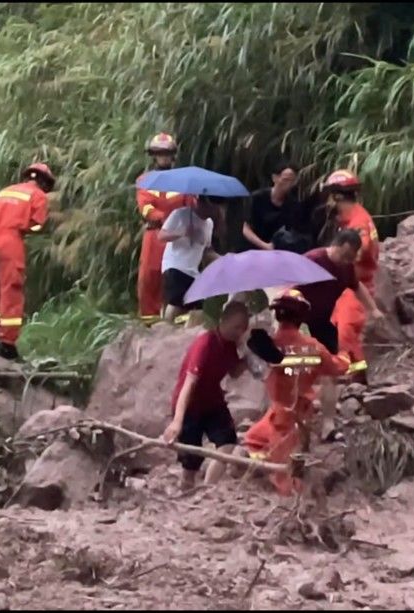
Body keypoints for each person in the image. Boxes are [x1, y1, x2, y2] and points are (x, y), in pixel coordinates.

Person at [243, 289, 351, 495]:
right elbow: (337, 368)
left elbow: (256, 367)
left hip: (282, 416)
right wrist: (345, 353)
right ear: (301, 318)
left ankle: (290, 493)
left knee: (282, 471)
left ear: (276, 315)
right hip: (296, 414)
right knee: (259, 444)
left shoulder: (270, 345)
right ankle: (277, 477)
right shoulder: (313, 347)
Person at [295, 229, 384, 438]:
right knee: (298, 371)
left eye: (350, 258)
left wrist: (374, 309)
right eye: (344, 255)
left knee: (331, 371)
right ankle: (293, 420)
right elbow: (290, 287)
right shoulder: (313, 260)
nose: (346, 261)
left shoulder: (346, 269)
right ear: (336, 244)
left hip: (323, 321)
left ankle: (328, 424)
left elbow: (357, 286)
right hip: (299, 319)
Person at [162, 301, 252, 490]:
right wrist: (177, 421)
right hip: (190, 404)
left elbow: (234, 372)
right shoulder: (205, 344)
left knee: (227, 441)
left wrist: (249, 358)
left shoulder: (230, 346)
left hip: (212, 401)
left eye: (242, 328)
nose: (239, 332)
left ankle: (209, 488)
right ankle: (186, 486)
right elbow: (188, 385)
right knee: (191, 460)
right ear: (223, 321)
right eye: (236, 327)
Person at [0, 162, 55, 361]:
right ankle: (7, 344)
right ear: (43, 182)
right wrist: (22, 229)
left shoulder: (5, 191)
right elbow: (37, 225)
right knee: (11, 291)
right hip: (10, 241)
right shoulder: (37, 195)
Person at [323, 169, 383, 384]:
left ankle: (353, 375)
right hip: (348, 284)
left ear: (337, 196)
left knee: (346, 330)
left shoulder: (358, 222)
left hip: (356, 284)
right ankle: (354, 372)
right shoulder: (352, 218)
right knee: (338, 325)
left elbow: (360, 249)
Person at [136, 133, 195, 324]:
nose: (163, 157)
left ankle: (179, 317)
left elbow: (190, 204)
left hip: (179, 236)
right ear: (153, 155)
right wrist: (162, 218)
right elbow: (145, 206)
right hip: (155, 234)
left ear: (173, 155)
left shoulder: (184, 180)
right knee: (150, 276)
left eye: (167, 153)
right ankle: (150, 321)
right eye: (159, 153)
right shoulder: (145, 180)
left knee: (179, 275)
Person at [158, 197, 219, 325]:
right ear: (200, 203)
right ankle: (165, 329)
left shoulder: (209, 224)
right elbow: (161, 236)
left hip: (193, 271)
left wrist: (222, 260)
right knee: (176, 303)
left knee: (200, 309)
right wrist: (182, 232)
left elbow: (207, 251)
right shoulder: (180, 214)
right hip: (176, 265)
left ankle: (186, 334)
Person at [242, 161, 311, 254]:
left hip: (280, 252)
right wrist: (265, 246)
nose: (289, 184)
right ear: (274, 178)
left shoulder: (294, 203)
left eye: (292, 181)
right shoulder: (257, 198)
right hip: (255, 249)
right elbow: (246, 228)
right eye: (285, 180)